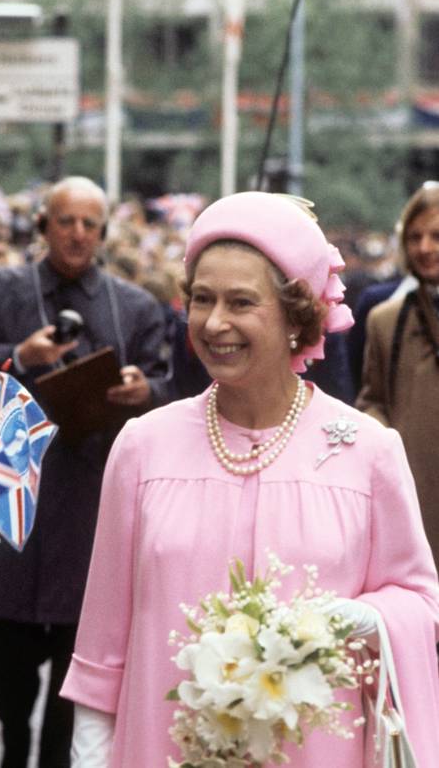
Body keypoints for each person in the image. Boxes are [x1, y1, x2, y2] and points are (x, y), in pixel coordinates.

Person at [60, 191, 439, 767]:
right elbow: (101, 648)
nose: (215, 323)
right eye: (202, 299)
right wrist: (89, 758)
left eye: (241, 302)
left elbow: (421, 601)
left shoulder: (369, 452)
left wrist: (364, 618)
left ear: (296, 316)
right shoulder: (142, 446)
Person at [0, 176, 169, 768]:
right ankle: (14, 750)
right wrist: (20, 357)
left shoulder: (135, 306)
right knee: (9, 667)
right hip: (11, 506)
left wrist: (144, 390)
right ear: (43, 225)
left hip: (91, 510)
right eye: (66, 221)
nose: (78, 234)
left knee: (77, 672)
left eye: (91, 224)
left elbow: (170, 388)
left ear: (104, 232)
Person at [357, 181, 439, 568]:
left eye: (436, 236)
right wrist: (384, 439)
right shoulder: (385, 320)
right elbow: (370, 399)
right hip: (413, 490)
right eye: (415, 237)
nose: (424, 247)